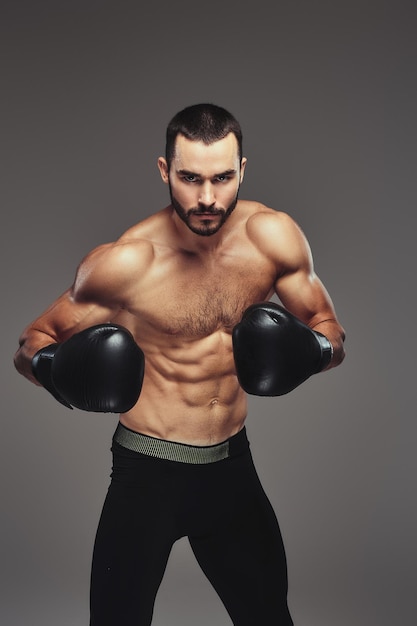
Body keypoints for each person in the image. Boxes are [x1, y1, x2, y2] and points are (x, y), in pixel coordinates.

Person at [14, 103, 345, 625]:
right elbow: (32, 342)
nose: (208, 198)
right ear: (166, 171)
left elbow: (330, 329)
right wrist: (58, 371)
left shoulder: (272, 237)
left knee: (268, 618)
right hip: (146, 476)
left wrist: (313, 352)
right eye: (190, 179)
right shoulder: (129, 261)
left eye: (221, 178)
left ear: (242, 170)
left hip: (232, 470)